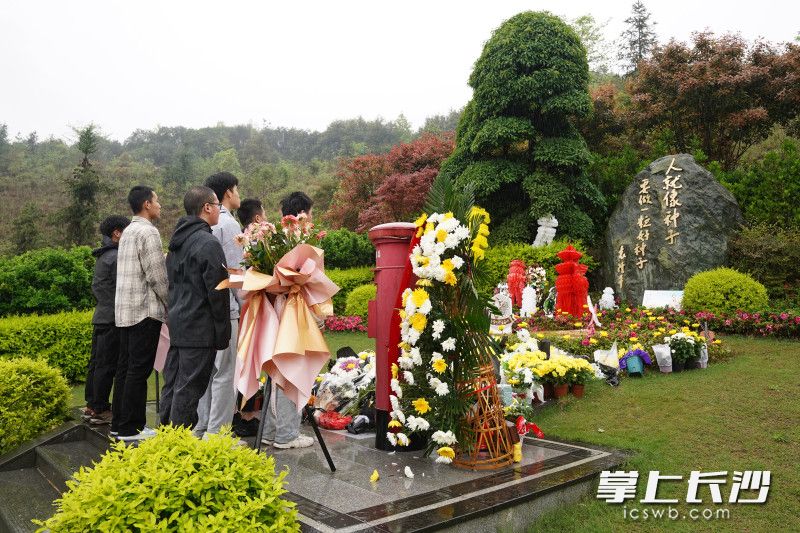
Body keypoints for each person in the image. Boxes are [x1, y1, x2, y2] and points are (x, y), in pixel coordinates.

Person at [159, 186, 231, 430]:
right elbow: (218, 292)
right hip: (199, 329)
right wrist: (223, 334)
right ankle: (178, 447)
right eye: (217, 206)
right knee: (188, 391)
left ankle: (165, 437)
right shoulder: (208, 243)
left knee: (173, 384)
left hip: (179, 325)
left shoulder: (176, 244)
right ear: (206, 208)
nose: (219, 211)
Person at [113, 186, 168, 441]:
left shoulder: (127, 232)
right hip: (144, 311)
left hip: (125, 311)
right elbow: (157, 276)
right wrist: (170, 304)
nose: (159, 205)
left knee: (125, 368)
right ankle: (131, 428)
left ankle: (119, 423)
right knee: (138, 370)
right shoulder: (148, 232)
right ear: (147, 204)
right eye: (156, 201)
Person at [261, 191, 316, 449]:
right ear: (302, 214)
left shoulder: (271, 242)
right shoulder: (297, 242)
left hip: (275, 312)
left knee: (276, 371)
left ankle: (271, 431)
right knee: (290, 370)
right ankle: (286, 434)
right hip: (291, 312)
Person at [193, 172, 242, 438]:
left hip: (203, 311)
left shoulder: (200, 226)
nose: (238, 195)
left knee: (208, 373)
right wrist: (247, 306)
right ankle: (219, 434)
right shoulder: (230, 225)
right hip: (227, 310)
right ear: (227, 193)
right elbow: (236, 273)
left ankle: (202, 427)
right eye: (236, 190)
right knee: (225, 374)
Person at [83, 215, 130, 425]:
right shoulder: (116, 257)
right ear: (117, 233)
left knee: (97, 363)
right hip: (112, 318)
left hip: (102, 316)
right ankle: (100, 408)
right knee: (107, 365)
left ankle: (92, 404)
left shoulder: (105, 255)